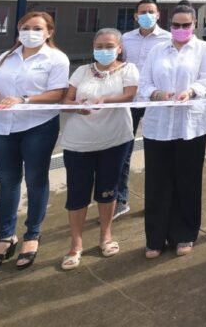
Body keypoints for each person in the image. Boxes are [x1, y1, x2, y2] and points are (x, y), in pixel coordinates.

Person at [0, 11, 69, 271]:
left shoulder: (56, 58)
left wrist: (24, 100)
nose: (31, 32)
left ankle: (32, 235)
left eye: (37, 28)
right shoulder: (5, 57)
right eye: (25, 27)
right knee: (7, 183)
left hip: (37, 126)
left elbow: (58, 93)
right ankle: (6, 237)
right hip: (4, 127)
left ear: (49, 32)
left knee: (35, 180)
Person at [58, 28, 139, 270]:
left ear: (120, 48)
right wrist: (77, 107)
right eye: (99, 46)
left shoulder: (128, 69)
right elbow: (65, 101)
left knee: (108, 190)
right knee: (77, 193)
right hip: (79, 142)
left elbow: (130, 96)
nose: (104, 50)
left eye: (109, 46)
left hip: (115, 140)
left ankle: (106, 235)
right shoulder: (82, 71)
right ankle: (75, 244)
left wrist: (105, 100)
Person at [138, 4, 206, 258]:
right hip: (158, 125)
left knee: (188, 180)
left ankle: (185, 234)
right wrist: (157, 94)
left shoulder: (203, 49)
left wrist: (190, 92)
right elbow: (144, 83)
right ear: (169, 25)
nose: (181, 29)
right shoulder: (157, 50)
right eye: (176, 25)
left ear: (195, 25)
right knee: (157, 182)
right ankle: (156, 238)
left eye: (186, 25)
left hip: (190, 125)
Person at [118, 0, 171, 221]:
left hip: (154, 102)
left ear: (158, 15)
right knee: (123, 151)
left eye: (151, 11)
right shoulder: (125, 39)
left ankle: (155, 200)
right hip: (130, 101)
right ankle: (120, 200)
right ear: (135, 16)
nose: (147, 15)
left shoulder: (168, 39)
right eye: (142, 12)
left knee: (157, 153)